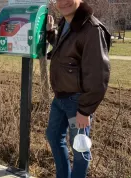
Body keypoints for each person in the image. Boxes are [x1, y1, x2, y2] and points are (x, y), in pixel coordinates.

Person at [45, 0, 111, 178]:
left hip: (77, 101)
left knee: (80, 147)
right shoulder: (66, 22)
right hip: (60, 97)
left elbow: (98, 75)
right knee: (53, 136)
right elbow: (66, 48)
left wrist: (85, 110)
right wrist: (51, 33)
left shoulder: (91, 29)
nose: (63, 2)